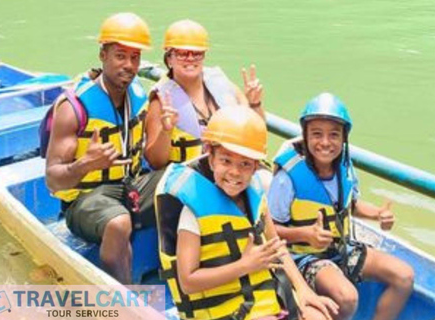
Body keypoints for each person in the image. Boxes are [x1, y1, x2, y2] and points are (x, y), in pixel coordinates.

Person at [155, 107, 339, 320]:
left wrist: (304, 291)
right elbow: (187, 282)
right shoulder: (193, 212)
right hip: (223, 312)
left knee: (320, 316)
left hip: (262, 304)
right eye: (226, 161)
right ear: (211, 156)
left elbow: (276, 245)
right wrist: (245, 265)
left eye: (245, 164)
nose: (235, 172)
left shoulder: (256, 197)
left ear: (255, 167)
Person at [268, 92, 414, 320]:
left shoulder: (344, 165)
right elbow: (270, 229)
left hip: (342, 249)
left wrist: (378, 214)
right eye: (317, 134)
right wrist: (304, 234)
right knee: (347, 297)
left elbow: (349, 205)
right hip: (303, 256)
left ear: (344, 138)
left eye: (334, 135)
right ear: (305, 135)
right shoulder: (288, 176)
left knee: (404, 276)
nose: (325, 143)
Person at [45, 12, 163, 284]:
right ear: (103, 55)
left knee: (183, 180)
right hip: (85, 200)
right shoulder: (74, 108)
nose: (129, 65)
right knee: (118, 222)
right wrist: (84, 164)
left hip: (130, 187)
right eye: (120, 56)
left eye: (135, 58)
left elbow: (153, 157)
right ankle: (126, 301)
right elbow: (53, 179)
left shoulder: (139, 96)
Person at [144, 19, 265, 169]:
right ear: (169, 59)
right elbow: (155, 161)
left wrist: (255, 104)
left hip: (230, 170)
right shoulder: (161, 100)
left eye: (196, 53)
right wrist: (166, 131)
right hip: (188, 176)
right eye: (182, 53)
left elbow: (255, 132)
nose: (190, 58)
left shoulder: (222, 83)